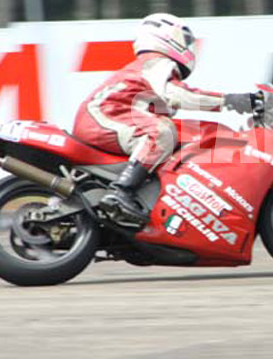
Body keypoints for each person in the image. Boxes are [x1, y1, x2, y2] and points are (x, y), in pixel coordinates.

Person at [73, 13, 255, 226]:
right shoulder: (156, 62)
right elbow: (181, 96)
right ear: (168, 37)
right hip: (104, 117)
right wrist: (234, 101)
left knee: (179, 134)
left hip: (108, 118)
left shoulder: (152, 66)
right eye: (185, 41)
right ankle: (120, 192)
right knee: (161, 132)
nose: (189, 47)